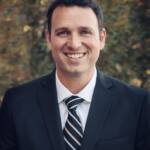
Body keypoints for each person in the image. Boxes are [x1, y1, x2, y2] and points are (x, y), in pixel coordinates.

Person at [0, 0, 150, 150]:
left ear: (102, 38)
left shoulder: (138, 105)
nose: (74, 44)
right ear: (48, 38)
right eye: (63, 32)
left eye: (85, 32)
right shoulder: (16, 104)